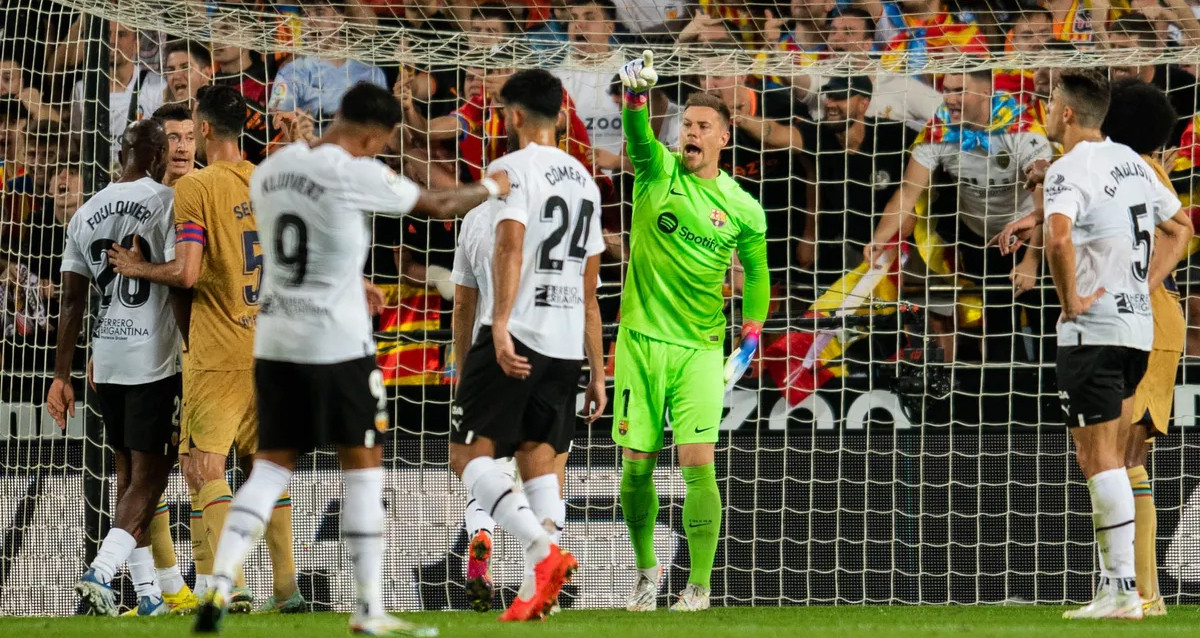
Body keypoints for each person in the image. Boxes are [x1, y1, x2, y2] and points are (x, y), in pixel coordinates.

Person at [191, 81, 511, 635]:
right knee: (362, 475)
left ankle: (218, 585)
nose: (380, 154)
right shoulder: (353, 170)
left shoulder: (273, 168)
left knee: (268, 468)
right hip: (337, 345)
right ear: (372, 133)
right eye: (382, 144)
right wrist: (493, 184)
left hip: (274, 341)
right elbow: (438, 204)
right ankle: (369, 611)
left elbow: (308, 227)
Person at [995, 77, 1193, 618]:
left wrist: (1076, 298)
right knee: (1121, 457)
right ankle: (1130, 590)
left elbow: (1065, 237)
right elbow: (1174, 224)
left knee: (1107, 457)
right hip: (1137, 327)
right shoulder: (1131, 163)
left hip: (1101, 324)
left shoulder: (1078, 165)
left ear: (1067, 113)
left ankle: (1130, 591)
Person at [109, 85, 302, 614]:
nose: (183, 143)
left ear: (206, 133)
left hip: (215, 350)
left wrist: (137, 267)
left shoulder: (194, 188)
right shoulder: (264, 176)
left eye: (191, 132)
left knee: (201, 469)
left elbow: (187, 273)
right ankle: (285, 590)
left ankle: (228, 585)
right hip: (270, 345)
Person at [616, 52, 769, 612]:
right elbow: (636, 136)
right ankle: (646, 571)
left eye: (703, 127)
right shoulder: (658, 170)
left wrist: (750, 334)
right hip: (639, 341)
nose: (691, 134)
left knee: (698, 460)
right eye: (686, 125)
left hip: (702, 349)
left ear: (725, 138)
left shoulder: (744, 209)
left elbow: (756, 272)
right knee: (636, 470)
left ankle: (698, 586)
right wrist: (636, 99)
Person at [448, 79, 607, 614]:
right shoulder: (586, 180)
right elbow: (591, 287)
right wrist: (598, 371)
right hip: (566, 348)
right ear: (561, 115)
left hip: (520, 337)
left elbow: (511, 245)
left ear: (513, 116)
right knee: (540, 462)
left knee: (468, 455)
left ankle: (541, 551)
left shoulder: (515, 169)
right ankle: (541, 591)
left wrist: (498, 326)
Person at [46, 119, 179, 617]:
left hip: (108, 360)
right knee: (151, 478)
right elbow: (179, 277)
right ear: (160, 153)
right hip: (155, 359)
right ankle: (101, 570)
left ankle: (147, 595)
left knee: (127, 476)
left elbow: (71, 303)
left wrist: (62, 375)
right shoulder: (166, 202)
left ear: (120, 153)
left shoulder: (84, 213)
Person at [864, 69, 1054, 363]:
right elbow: (907, 192)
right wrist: (878, 239)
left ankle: (1054, 400)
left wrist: (1031, 261)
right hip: (984, 240)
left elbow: (1047, 202)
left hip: (1033, 238)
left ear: (986, 93)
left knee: (1047, 321)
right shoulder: (939, 130)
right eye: (947, 90)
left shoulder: (1023, 129)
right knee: (999, 327)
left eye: (959, 91)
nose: (950, 99)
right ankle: (1003, 399)